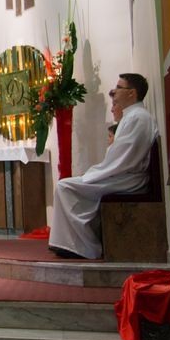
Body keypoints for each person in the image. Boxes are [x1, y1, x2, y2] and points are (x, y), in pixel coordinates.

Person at [48, 73, 158, 259]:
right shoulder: (132, 116)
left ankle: (86, 247)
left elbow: (123, 158)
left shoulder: (138, 118)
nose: (114, 91)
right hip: (123, 175)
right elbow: (121, 155)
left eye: (119, 87)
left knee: (65, 187)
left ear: (132, 93)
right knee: (67, 186)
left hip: (128, 179)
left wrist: (95, 173)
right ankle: (68, 243)